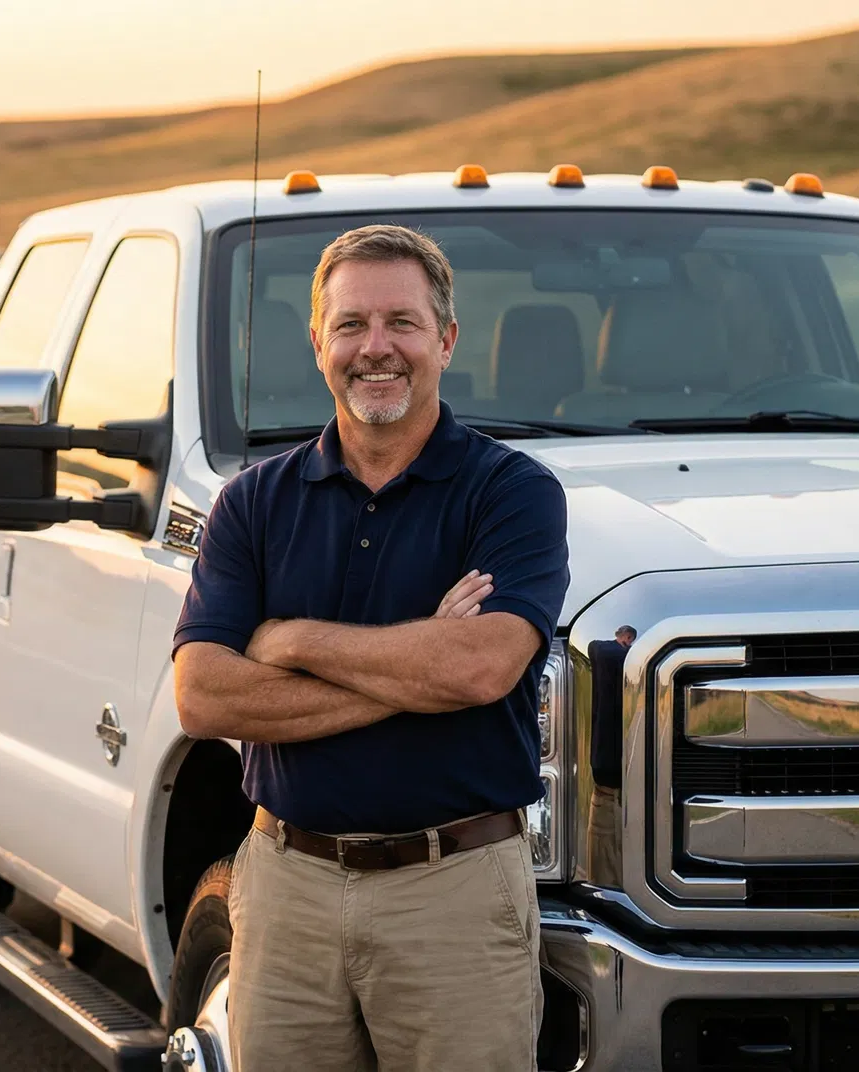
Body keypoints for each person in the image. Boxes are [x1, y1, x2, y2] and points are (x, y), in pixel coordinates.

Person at [171, 224, 571, 1071]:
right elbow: (205, 696)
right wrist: (420, 665)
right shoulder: (253, 504)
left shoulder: (514, 494)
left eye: (402, 323)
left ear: (446, 339)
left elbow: (483, 665)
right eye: (351, 325)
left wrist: (293, 639)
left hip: (454, 889)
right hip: (287, 887)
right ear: (318, 341)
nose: (375, 348)